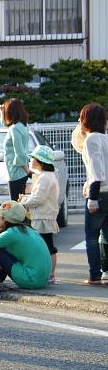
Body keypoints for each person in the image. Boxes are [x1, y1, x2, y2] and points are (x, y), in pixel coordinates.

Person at [0, 201, 52, 300]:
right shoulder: (29, 230)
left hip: (30, 279)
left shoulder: (12, 233)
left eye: (0, 217)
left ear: (5, 219)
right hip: (42, 280)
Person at [72, 103, 108, 285]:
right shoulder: (106, 138)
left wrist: (92, 198)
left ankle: (95, 275)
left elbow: (97, 172)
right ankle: (106, 272)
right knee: (107, 235)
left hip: (98, 192)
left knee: (92, 236)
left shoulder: (91, 140)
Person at [19, 145, 60, 284]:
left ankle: (50, 275)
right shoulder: (46, 176)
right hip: (45, 216)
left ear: (40, 161)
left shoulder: (45, 177)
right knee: (47, 246)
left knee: (46, 246)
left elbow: (38, 198)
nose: (31, 161)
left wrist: (23, 201)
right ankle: (49, 274)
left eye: (33, 158)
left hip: (43, 216)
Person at [1, 99, 31, 201]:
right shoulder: (22, 126)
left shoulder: (14, 129)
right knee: (21, 207)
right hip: (20, 172)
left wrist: (28, 171)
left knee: (16, 208)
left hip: (16, 173)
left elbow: (20, 152)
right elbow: (5, 123)